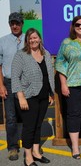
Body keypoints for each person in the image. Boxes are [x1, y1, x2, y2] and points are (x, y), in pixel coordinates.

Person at [55, 16, 81, 160]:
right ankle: (75, 146)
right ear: (73, 26)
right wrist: (63, 84)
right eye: (77, 24)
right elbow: (60, 64)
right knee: (74, 114)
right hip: (73, 85)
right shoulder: (66, 43)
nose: (80, 27)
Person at [11, 28, 54, 166]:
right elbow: (15, 77)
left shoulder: (46, 53)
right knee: (29, 127)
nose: (33, 40)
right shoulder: (21, 55)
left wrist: (51, 93)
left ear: (39, 39)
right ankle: (28, 157)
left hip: (43, 97)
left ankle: (36, 152)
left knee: (38, 125)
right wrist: (21, 96)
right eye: (30, 38)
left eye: (35, 37)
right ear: (27, 41)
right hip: (28, 97)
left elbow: (48, 75)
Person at [0, 12, 25, 161]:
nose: (14, 26)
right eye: (12, 23)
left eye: (17, 23)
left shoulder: (29, 40)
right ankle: (12, 148)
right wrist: (1, 85)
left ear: (22, 24)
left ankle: (30, 145)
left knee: (28, 115)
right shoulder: (2, 41)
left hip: (25, 83)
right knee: (10, 117)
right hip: (8, 83)